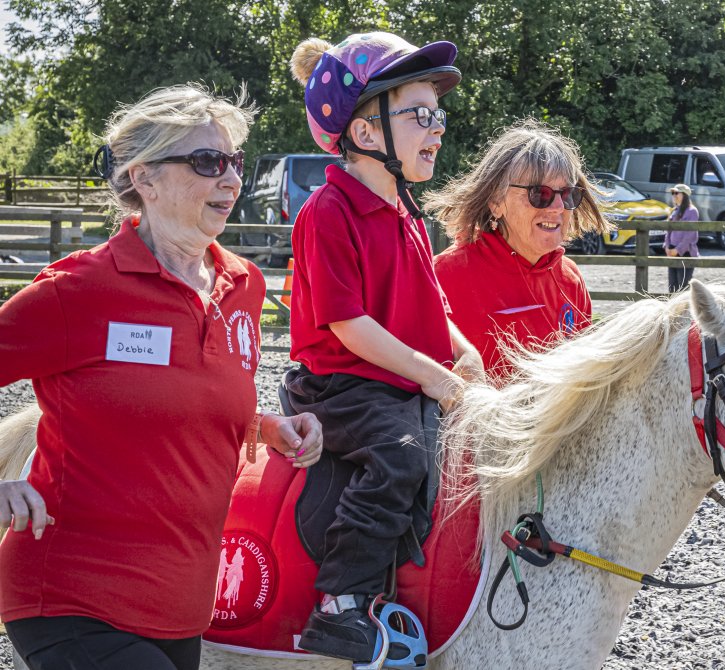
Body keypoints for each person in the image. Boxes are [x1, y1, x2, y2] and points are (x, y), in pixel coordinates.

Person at [0, 84, 323, 670]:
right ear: (144, 179)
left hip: (180, 608)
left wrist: (266, 425)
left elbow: (176, 399)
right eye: (206, 162)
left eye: (234, 163)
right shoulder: (79, 290)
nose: (230, 180)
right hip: (71, 598)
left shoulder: (244, 286)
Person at [284, 32, 482, 663]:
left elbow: (431, 305)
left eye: (438, 116)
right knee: (400, 459)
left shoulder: (407, 213)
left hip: (396, 377)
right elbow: (350, 326)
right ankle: (340, 604)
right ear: (367, 135)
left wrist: (464, 353)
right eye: (419, 115)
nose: (437, 128)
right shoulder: (329, 210)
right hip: (343, 385)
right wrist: (434, 376)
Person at [426, 119, 607, 381]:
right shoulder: (443, 277)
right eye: (539, 193)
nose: (557, 207)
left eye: (567, 194)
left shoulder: (570, 280)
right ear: (496, 202)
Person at [663, 183, 701, 292]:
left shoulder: (692, 211)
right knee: (672, 287)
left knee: (683, 286)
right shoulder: (674, 211)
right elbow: (668, 230)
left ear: (684, 195)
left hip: (686, 253)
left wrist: (678, 250)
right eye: (673, 193)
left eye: (676, 193)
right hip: (672, 251)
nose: (674, 195)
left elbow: (690, 235)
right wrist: (667, 247)